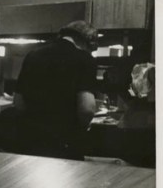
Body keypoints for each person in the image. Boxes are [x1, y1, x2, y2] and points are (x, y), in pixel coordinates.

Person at [12, 20, 99, 160]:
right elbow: (87, 109)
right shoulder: (84, 59)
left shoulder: (33, 55)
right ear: (87, 42)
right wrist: (81, 128)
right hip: (64, 144)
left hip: (30, 142)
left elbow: (18, 103)